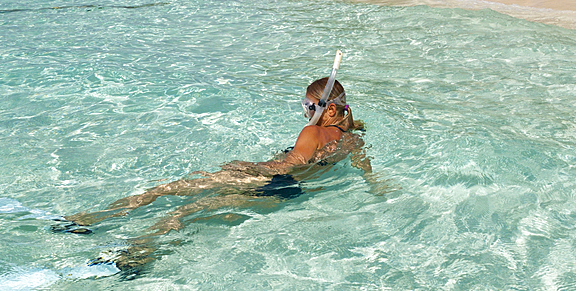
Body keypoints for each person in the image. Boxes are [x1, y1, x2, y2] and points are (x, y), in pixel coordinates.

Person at [55, 69, 369, 274]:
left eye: (309, 107)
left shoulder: (311, 133)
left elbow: (294, 163)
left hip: (272, 177)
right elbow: (364, 171)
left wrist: (251, 167)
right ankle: (142, 252)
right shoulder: (353, 139)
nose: (305, 113)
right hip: (289, 193)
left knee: (171, 190)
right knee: (199, 210)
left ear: (327, 109)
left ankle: (90, 220)